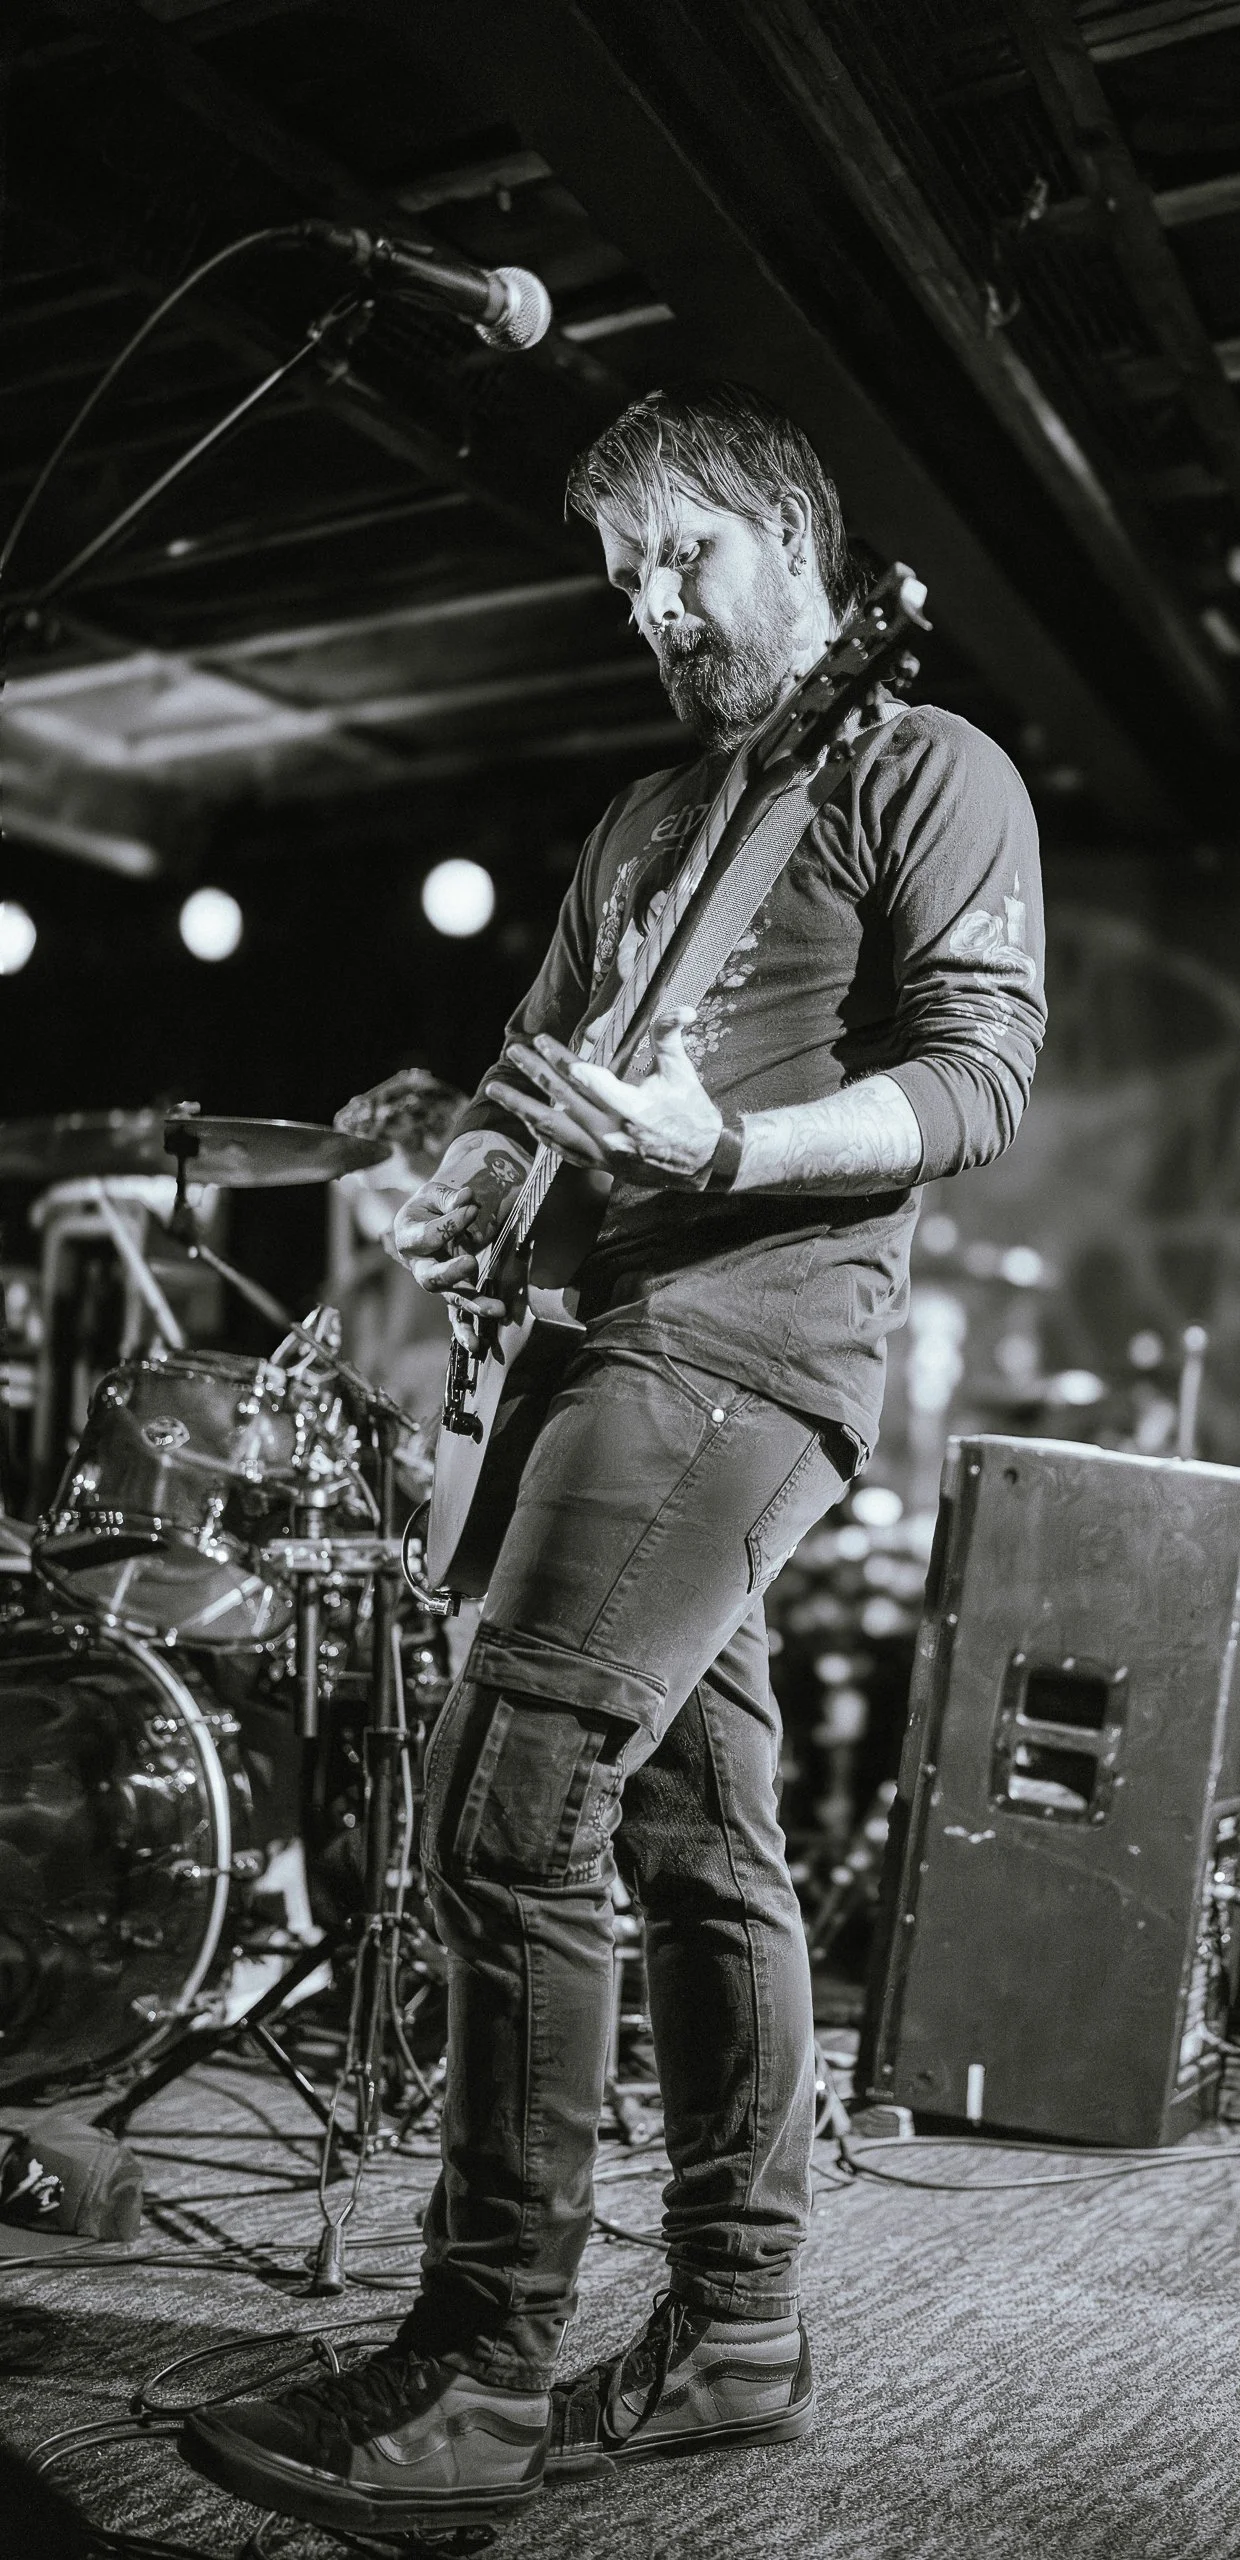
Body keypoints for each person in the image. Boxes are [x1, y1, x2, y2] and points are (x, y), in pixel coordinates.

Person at [182, 382, 1046, 2539]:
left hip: (741, 1349)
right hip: (590, 1337)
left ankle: (474, 2361)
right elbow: (528, 1067)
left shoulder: (918, 764)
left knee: (507, 1798)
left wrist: (726, 1143)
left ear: (791, 534)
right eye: (622, 578)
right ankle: (738, 2324)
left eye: (684, 556)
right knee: (695, 1838)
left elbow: (975, 1077)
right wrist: (475, 1175)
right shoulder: (649, 816)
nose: (652, 607)